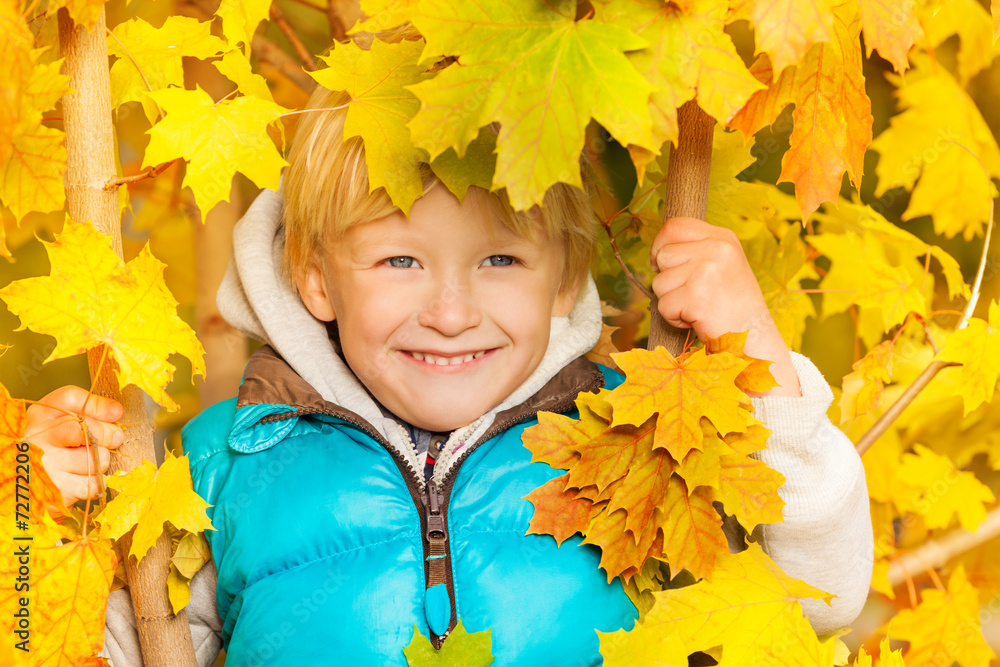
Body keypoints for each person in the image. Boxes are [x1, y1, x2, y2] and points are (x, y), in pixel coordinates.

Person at [27, 41, 873, 667]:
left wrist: (756, 352)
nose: (452, 311)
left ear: (565, 277)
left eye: (501, 259)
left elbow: (826, 591)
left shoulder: (634, 432)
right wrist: (36, 524)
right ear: (315, 277)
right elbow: (71, 644)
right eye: (400, 261)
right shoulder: (220, 467)